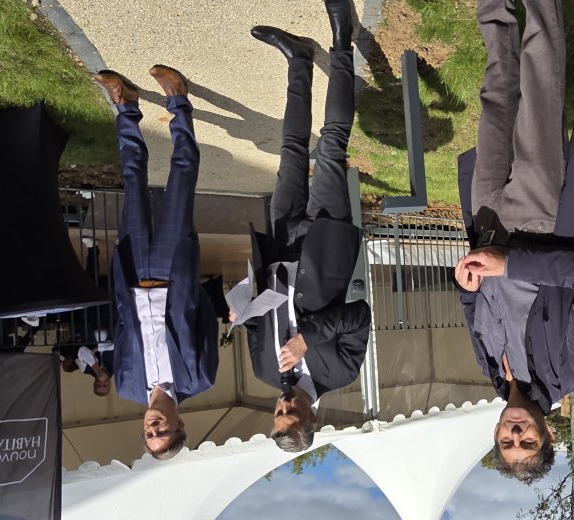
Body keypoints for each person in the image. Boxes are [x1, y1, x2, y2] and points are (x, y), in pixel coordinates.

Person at [455, 0, 574, 483]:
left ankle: (494, 9)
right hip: (540, 217)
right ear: (548, 434)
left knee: (497, 99)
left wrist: (466, 283)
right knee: (538, 93)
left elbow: (475, 308)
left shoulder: (490, 372)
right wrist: (512, 265)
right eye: (527, 443)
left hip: (486, 220)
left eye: (506, 443)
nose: (516, 434)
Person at [234, 0, 370, 453]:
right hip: (326, 244)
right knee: (331, 146)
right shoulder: (343, 372)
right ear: (314, 418)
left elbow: (258, 324)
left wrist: (242, 314)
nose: (284, 405)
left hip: (281, 245)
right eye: (292, 414)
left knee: (290, 149)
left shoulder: (263, 371)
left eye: (277, 414)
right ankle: (341, 40)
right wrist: (308, 339)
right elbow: (359, 317)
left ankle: (298, 60)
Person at [93, 65, 219, 460]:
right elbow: (206, 318)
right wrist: (184, 283)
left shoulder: (126, 385)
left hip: (131, 275)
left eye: (149, 434)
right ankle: (178, 102)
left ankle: (126, 105)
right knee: (181, 180)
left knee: (132, 181)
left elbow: (121, 328)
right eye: (161, 431)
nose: (153, 427)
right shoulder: (200, 379)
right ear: (179, 425)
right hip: (171, 273)